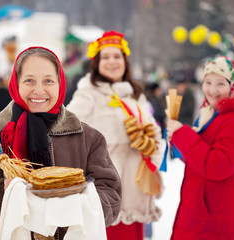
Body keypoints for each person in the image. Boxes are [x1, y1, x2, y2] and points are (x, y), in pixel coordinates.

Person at [0, 46, 122, 240]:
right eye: (29, 80)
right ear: (16, 84)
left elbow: (112, 198)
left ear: (60, 84)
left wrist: (78, 204)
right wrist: (2, 196)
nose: (39, 90)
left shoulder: (89, 138)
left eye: (48, 81)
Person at [66, 30, 165, 240]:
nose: (112, 62)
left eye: (117, 56)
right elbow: (64, 133)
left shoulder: (132, 95)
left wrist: (150, 144)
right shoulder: (88, 94)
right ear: (97, 63)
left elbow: (154, 131)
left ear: (125, 61)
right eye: (106, 57)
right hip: (109, 197)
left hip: (137, 194)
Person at [166, 56, 234, 240]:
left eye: (221, 84)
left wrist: (183, 135)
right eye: (208, 82)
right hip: (203, 210)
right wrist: (180, 142)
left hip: (216, 215)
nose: (212, 90)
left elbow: (218, 166)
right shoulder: (213, 113)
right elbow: (203, 154)